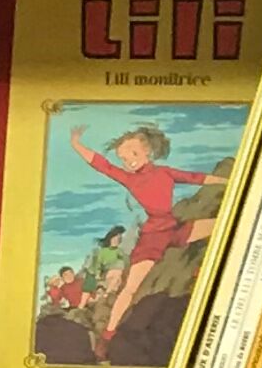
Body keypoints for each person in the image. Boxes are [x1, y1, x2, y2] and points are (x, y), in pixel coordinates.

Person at [74, 122, 218, 349]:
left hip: (174, 228)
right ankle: (108, 336)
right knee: (130, 288)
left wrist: (230, 181)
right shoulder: (130, 178)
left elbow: (195, 177)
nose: (128, 161)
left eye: (133, 154)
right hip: (152, 238)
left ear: (147, 151)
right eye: (123, 158)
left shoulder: (165, 172)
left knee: (224, 225)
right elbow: (102, 165)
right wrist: (76, 143)